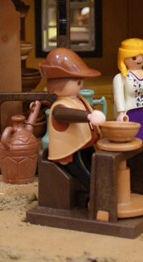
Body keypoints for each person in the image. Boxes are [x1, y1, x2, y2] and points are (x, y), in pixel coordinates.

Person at [40, 48, 106, 188]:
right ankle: (93, 191)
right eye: (77, 83)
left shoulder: (78, 99)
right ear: (57, 86)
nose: (81, 86)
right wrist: (89, 116)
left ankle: (97, 188)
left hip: (85, 145)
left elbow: (86, 110)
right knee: (85, 176)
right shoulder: (59, 107)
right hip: (68, 153)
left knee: (95, 168)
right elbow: (66, 115)